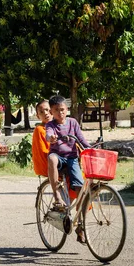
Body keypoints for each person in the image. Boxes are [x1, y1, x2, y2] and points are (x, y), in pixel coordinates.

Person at [46, 95, 90, 243]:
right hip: (58, 157)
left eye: (63, 109)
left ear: (67, 109)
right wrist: (51, 138)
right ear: (52, 112)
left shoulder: (73, 122)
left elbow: (82, 140)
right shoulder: (51, 125)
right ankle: (57, 195)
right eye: (56, 110)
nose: (60, 113)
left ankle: (80, 225)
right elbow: (48, 135)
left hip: (72, 158)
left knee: (81, 190)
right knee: (51, 157)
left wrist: (90, 149)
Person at [32, 100, 52, 177]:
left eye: (47, 110)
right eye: (41, 112)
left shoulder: (58, 125)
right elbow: (43, 151)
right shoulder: (40, 130)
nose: (45, 113)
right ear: (38, 116)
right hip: (48, 164)